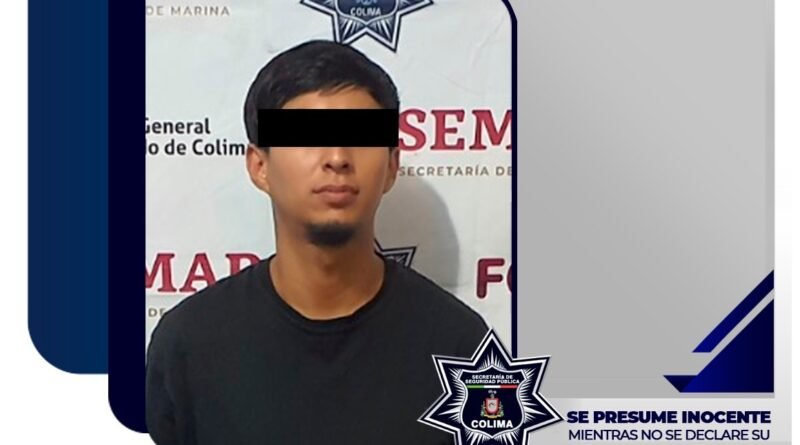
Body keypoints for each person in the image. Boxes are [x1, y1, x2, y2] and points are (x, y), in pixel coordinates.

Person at [145, 39, 489, 445]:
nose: (338, 158)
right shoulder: (188, 345)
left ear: (391, 165)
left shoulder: (464, 348)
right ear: (259, 166)